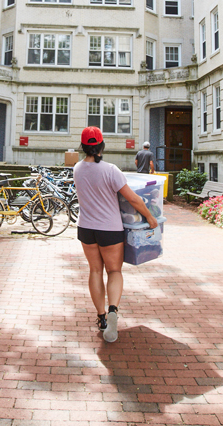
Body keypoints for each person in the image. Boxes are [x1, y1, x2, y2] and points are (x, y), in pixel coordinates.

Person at [73, 126, 158, 343]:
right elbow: (134, 199)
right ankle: (113, 310)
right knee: (114, 271)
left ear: (83, 146)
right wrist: (150, 217)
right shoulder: (111, 170)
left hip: (86, 228)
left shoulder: (77, 168)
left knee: (94, 270)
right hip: (110, 229)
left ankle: (101, 317)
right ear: (102, 145)